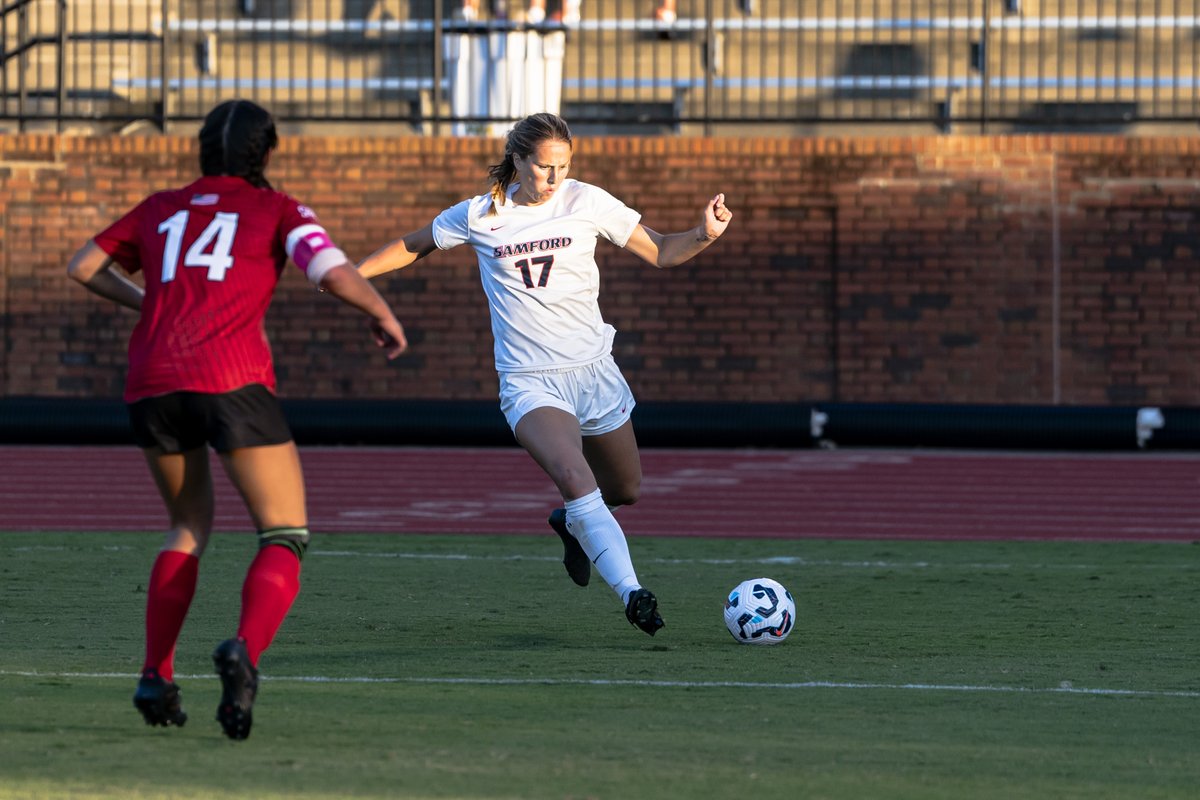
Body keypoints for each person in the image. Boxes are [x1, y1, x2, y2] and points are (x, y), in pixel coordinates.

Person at [66, 99, 408, 740]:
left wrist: (147, 302)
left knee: (187, 527)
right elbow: (328, 269)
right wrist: (381, 312)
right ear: (266, 153)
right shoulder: (277, 208)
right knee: (284, 533)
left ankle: (154, 675)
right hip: (232, 379)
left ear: (202, 150)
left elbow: (83, 266)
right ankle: (243, 653)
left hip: (151, 383)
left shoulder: (159, 206)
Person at [357, 112, 731, 636]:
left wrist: (705, 234)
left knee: (625, 489)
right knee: (576, 477)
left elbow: (665, 251)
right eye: (543, 167)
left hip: (593, 372)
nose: (554, 178)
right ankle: (633, 594)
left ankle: (572, 525)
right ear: (518, 159)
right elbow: (413, 244)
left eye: (563, 166)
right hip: (531, 380)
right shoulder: (479, 215)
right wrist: (349, 276)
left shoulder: (586, 201)